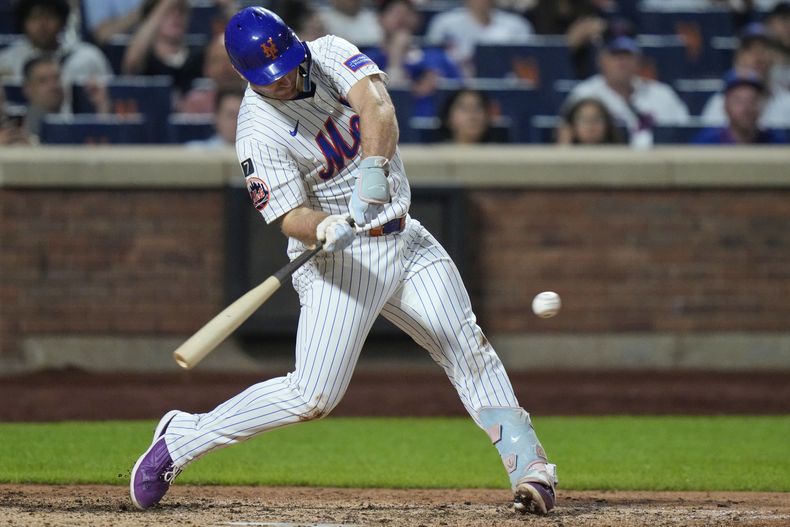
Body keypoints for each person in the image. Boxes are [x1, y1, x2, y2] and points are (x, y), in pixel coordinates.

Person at [129, 6, 558, 517]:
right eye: (271, 77)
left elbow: (377, 108)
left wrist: (373, 168)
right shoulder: (257, 131)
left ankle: (531, 468)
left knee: (467, 347)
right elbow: (287, 216)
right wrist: (323, 224)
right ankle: (182, 438)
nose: (285, 80)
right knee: (312, 396)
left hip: (405, 237)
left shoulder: (328, 52)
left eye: (288, 65)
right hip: (340, 263)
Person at [563, 35, 689, 146]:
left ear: (638, 61)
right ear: (601, 61)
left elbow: (684, 135)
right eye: (615, 55)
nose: (621, 62)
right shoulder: (583, 94)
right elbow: (565, 138)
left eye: (627, 56)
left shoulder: (662, 94)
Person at [700, 23, 790, 128]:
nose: (758, 56)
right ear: (738, 57)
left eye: (764, 48)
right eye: (749, 49)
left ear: (774, 57)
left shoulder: (786, 102)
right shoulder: (719, 103)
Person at [0, 0, 112, 83]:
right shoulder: (5, 61)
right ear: (23, 24)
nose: (42, 24)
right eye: (34, 17)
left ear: (62, 22)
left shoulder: (88, 58)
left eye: (49, 16)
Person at [425, 0, 534, 76]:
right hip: (457, 82)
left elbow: (528, 63)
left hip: (503, 84)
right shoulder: (444, 23)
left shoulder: (517, 25)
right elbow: (431, 59)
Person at [122, 0, 204, 94]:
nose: (176, 16)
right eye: (169, 12)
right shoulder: (145, 57)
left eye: (181, 11)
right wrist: (163, 6)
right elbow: (131, 62)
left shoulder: (198, 57)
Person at [21, 55, 111, 138]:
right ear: (27, 89)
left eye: (57, 78)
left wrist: (101, 106)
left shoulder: (71, 124)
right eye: (43, 81)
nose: (53, 86)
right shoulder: (21, 136)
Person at [692, 70, 788, 144]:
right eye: (739, 101)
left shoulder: (776, 143)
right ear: (725, 106)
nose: (746, 108)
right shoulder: (706, 143)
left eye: (752, 100)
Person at [178, 33, 246, 114]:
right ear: (206, 68)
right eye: (216, 61)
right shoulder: (195, 104)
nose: (224, 68)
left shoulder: (262, 98)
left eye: (230, 60)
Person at [556, 97, 622, 145]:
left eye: (597, 119)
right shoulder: (563, 150)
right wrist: (564, 145)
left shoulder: (620, 154)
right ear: (572, 126)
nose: (591, 126)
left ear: (607, 125)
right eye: (585, 120)